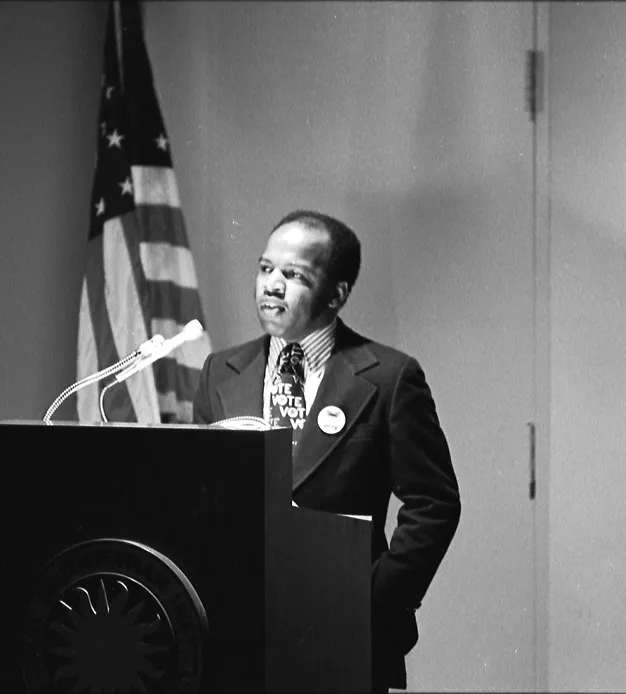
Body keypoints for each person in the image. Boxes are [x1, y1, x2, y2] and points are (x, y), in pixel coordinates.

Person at [192, 209, 461, 690]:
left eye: (293, 275)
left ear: (335, 295)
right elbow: (198, 494)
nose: (272, 285)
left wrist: (372, 600)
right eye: (265, 268)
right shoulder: (220, 371)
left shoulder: (386, 377)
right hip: (236, 633)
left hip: (342, 631)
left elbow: (434, 503)